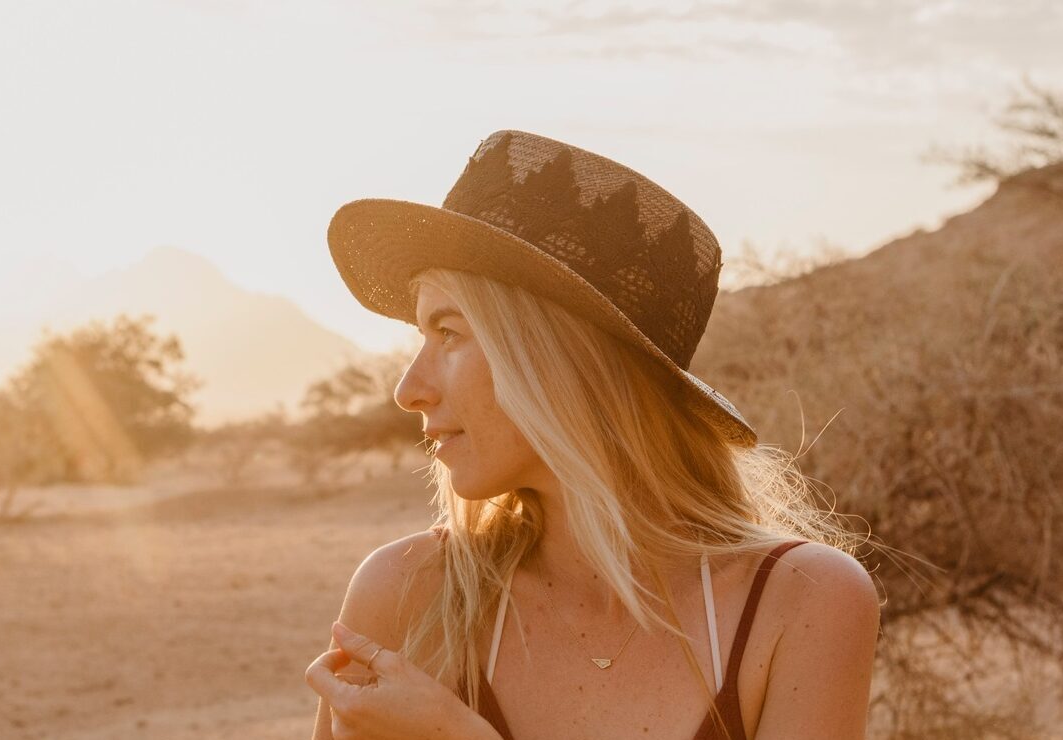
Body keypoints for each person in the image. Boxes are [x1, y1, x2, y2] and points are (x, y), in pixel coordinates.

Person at [306, 130, 879, 740]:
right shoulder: (407, 595)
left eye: (449, 332)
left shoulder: (801, 602)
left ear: (559, 359)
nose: (408, 389)